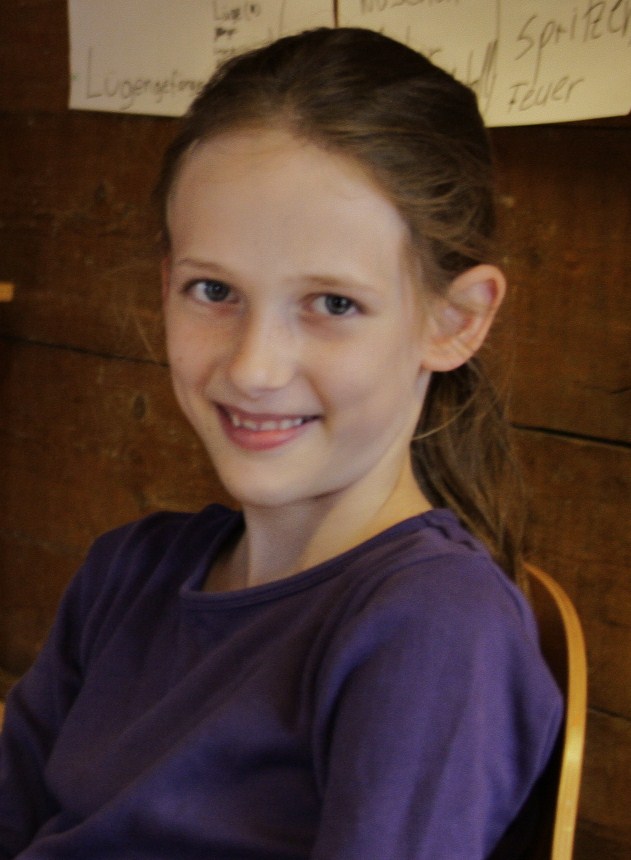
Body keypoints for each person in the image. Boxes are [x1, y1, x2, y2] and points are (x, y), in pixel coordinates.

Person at [0, 27, 562, 859]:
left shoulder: (434, 630)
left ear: (454, 320)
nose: (253, 368)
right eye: (212, 290)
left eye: (332, 304)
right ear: (165, 286)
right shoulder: (126, 573)